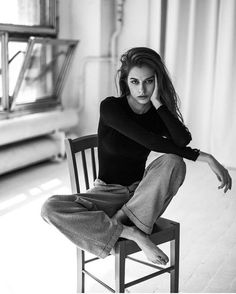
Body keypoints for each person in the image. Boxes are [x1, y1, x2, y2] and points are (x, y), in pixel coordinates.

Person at [41, 47, 232, 265]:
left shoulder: (156, 114)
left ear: (157, 82)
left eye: (149, 81)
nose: (142, 89)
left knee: (174, 161)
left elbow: (182, 140)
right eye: (134, 82)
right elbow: (149, 141)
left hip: (141, 195)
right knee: (50, 207)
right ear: (125, 81)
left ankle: (120, 224)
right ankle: (133, 233)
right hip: (107, 193)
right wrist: (206, 157)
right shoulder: (111, 107)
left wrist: (159, 103)